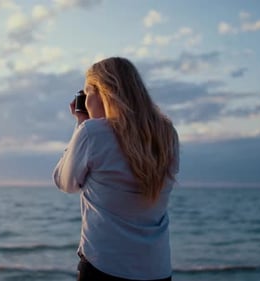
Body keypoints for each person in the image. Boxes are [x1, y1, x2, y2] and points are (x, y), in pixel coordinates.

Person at [52, 57, 179, 281]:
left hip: (105, 267)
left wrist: (80, 125)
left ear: (102, 93)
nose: (86, 102)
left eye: (87, 94)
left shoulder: (92, 133)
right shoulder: (167, 134)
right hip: (157, 270)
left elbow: (65, 182)